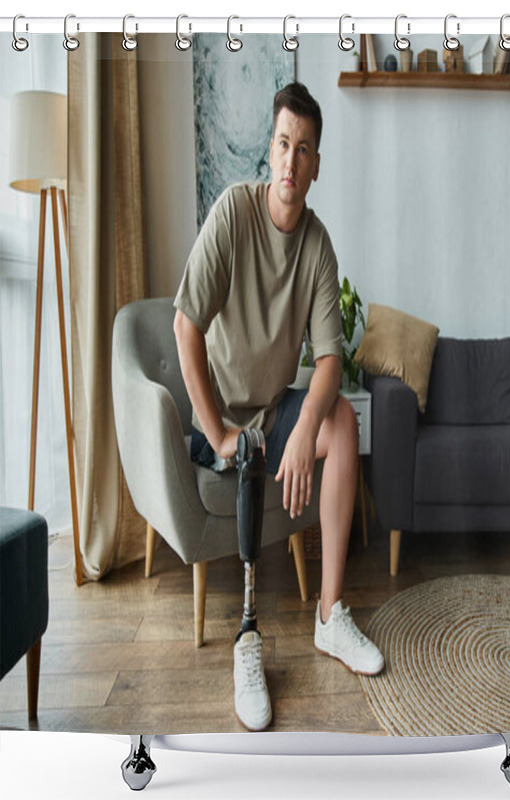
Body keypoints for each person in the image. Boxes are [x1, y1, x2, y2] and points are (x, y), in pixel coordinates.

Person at [173, 82, 384, 732]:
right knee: (257, 447)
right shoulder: (233, 213)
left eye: (305, 150)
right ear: (271, 150)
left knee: (342, 420)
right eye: (284, 144)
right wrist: (219, 430)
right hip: (225, 417)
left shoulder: (318, 245)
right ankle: (247, 638)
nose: (292, 161)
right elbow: (185, 325)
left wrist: (302, 434)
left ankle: (329, 616)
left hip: (274, 410)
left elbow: (328, 362)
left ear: (317, 164)